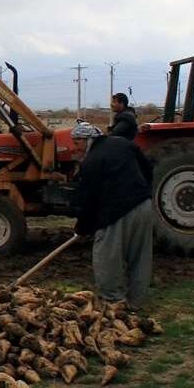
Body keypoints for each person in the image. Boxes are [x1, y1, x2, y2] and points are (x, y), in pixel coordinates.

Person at [71, 121, 155, 310]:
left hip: (117, 213)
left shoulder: (91, 163)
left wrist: (82, 227)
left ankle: (113, 302)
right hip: (144, 206)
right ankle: (136, 303)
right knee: (140, 257)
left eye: (76, 143)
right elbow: (148, 167)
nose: (74, 147)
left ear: (87, 140)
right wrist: (144, 191)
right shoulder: (122, 143)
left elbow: (88, 202)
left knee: (106, 257)